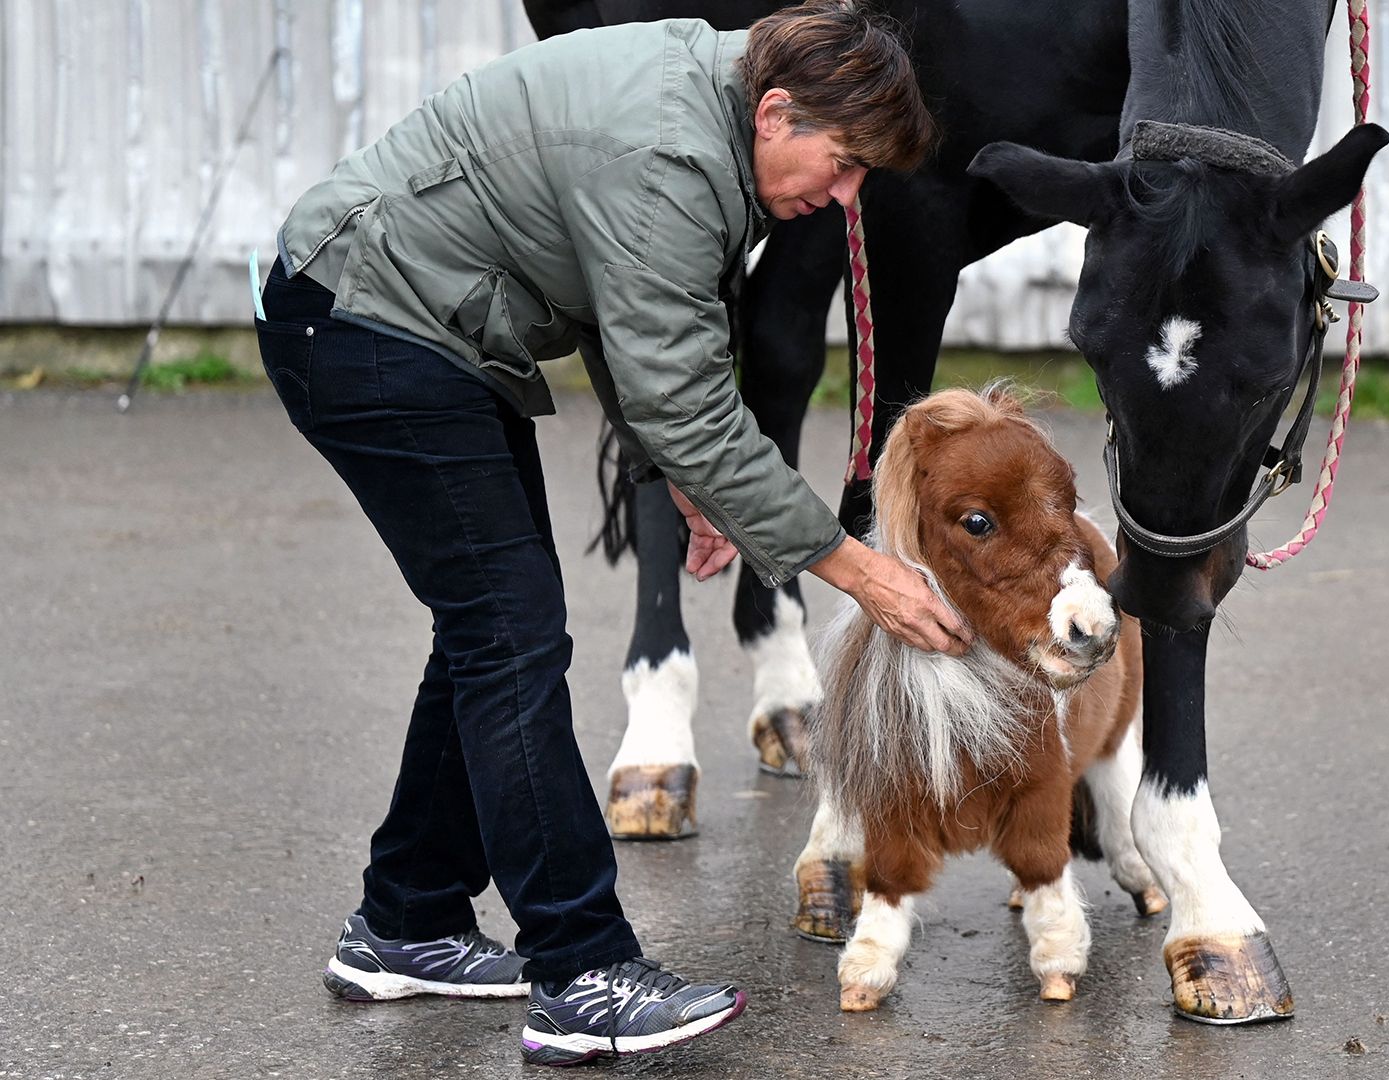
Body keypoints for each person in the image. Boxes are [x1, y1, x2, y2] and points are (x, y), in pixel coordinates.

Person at [253, 2, 962, 1066]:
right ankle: (581, 972)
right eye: (847, 161)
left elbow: (633, 320)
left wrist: (686, 480)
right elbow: (682, 394)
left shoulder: (710, 112)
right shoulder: (671, 155)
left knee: (494, 632)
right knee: (508, 635)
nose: (847, 194)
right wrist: (860, 570)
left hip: (415, 325)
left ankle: (408, 917)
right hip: (366, 323)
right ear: (777, 113)